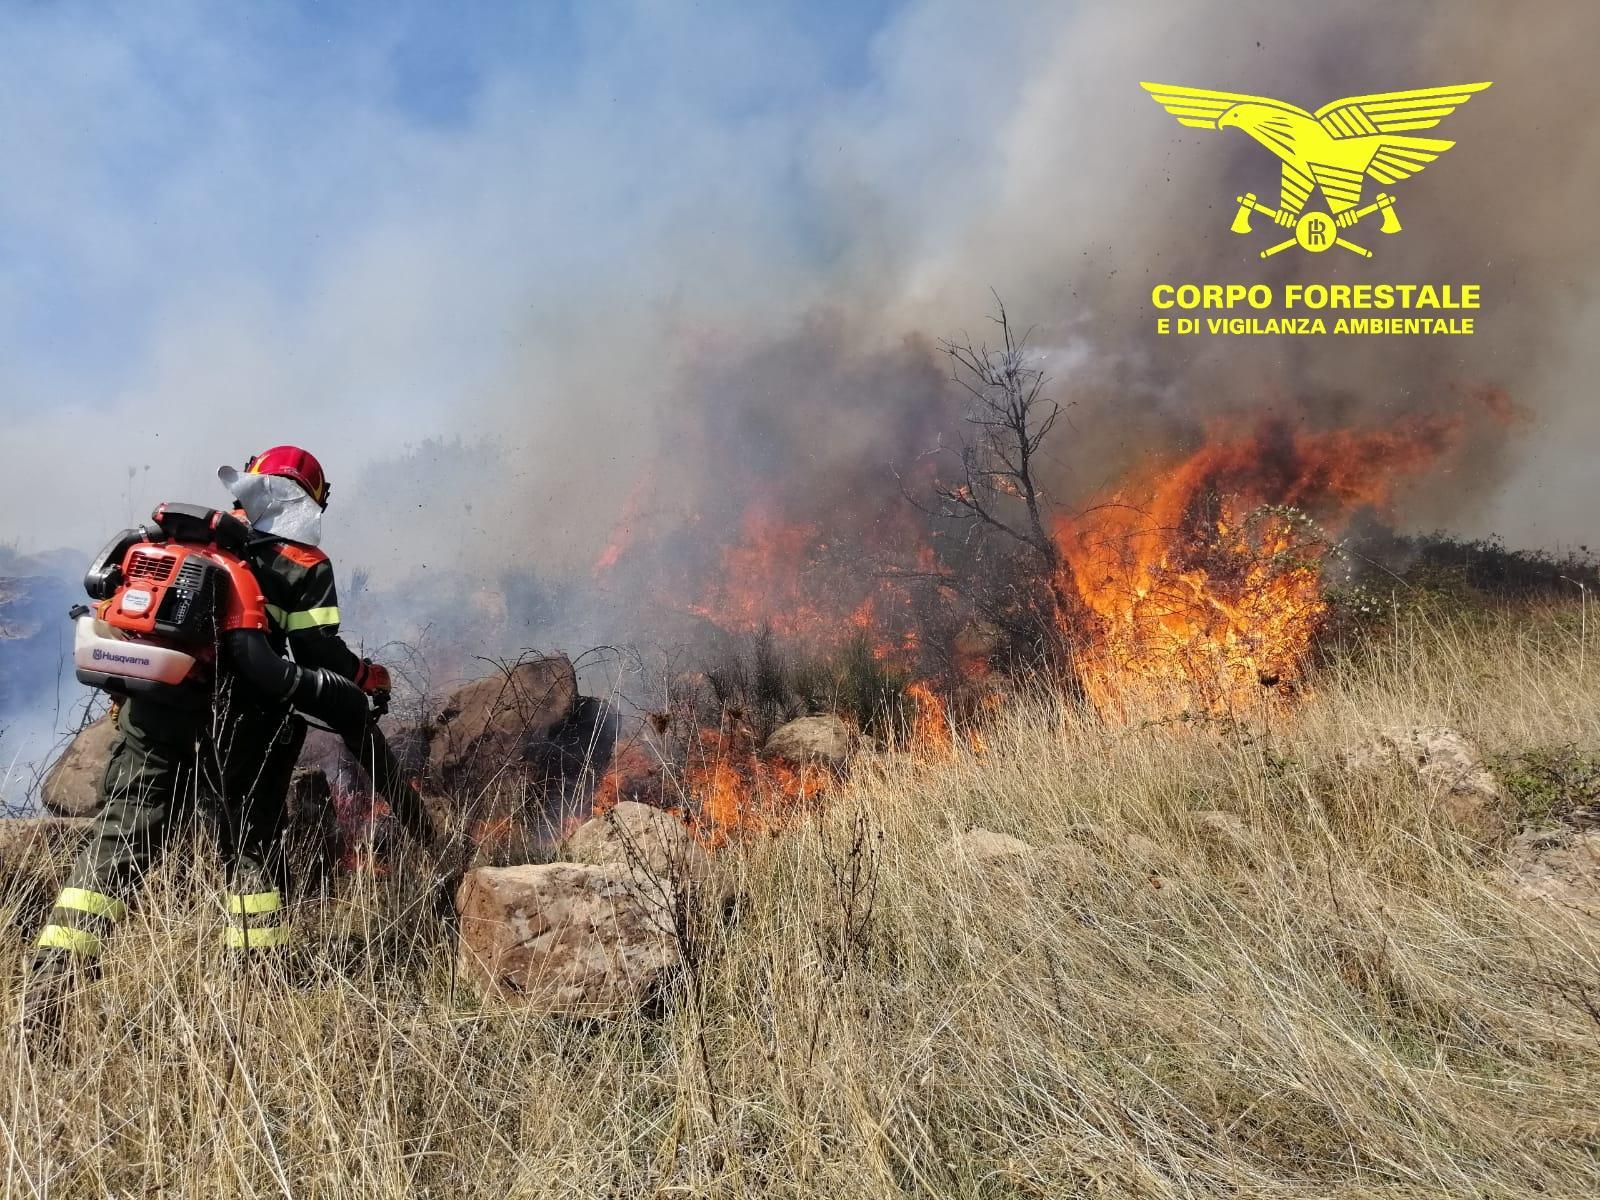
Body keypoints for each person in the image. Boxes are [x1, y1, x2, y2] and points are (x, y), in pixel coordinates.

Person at [23, 445, 411, 1029]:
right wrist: (362, 681)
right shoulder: (301, 564)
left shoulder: (183, 543)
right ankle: (257, 983)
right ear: (309, 500)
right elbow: (316, 654)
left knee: (122, 835)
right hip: (240, 722)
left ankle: (52, 978)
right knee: (249, 841)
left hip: (154, 711)